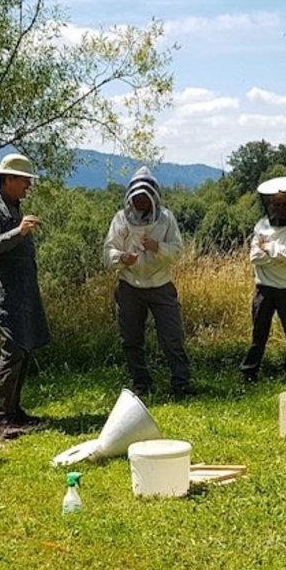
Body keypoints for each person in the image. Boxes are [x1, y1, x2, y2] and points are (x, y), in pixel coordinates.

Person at [0, 153, 50, 439]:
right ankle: (4, 417)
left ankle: (16, 411)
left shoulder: (13, 206)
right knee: (13, 348)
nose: (28, 186)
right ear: (8, 179)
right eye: (24, 180)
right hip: (6, 290)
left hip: (22, 289)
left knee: (25, 347)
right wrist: (18, 232)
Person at [103, 167, 192, 398]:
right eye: (136, 198)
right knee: (131, 338)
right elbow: (108, 251)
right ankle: (141, 383)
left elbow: (178, 251)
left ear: (153, 196)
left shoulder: (166, 218)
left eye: (143, 197)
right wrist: (122, 258)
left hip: (161, 286)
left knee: (172, 337)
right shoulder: (121, 219)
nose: (139, 201)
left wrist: (157, 247)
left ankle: (181, 383)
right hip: (129, 287)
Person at [241, 176, 286, 383]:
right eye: (277, 204)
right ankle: (249, 373)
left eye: (284, 204)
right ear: (271, 205)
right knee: (258, 333)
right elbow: (254, 257)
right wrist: (279, 255)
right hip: (263, 288)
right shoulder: (262, 226)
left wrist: (269, 249)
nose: (280, 208)